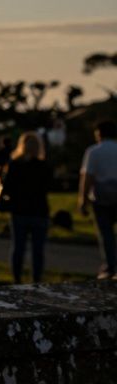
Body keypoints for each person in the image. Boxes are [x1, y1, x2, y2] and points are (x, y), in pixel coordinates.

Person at [3, 132, 50, 283]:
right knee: (38, 250)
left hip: (19, 210)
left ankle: (17, 278)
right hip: (39, 211)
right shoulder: (43, 166)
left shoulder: (15, 165)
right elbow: (48, 187)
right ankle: (36, 279)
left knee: (18, 247)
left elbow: (7, 188)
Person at [78, 120, 117, 279]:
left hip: (101, 198)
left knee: (106, 233)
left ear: (99, 133)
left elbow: (88, 177)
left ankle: (110, 266)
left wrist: (83, 200)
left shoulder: (93, 151)